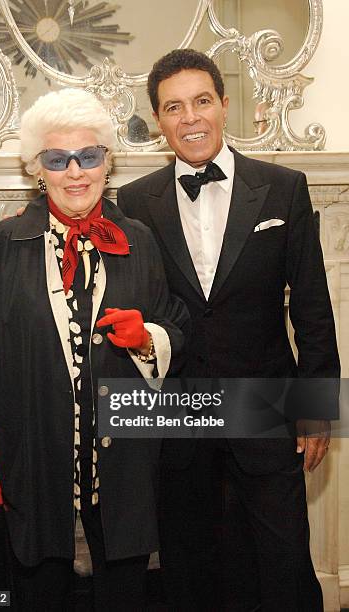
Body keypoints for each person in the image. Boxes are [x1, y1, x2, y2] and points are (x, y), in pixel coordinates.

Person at [0, 88, 188, 611]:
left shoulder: (139, 239)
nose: (75, 172)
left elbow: (175, 324)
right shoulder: (1, 244)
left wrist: (148, 340)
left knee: (123, 590)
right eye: (58, 159)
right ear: (39, 168)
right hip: (33, 456)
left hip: (123, 459)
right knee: (40, 589)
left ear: (107, 162)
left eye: (89, 156)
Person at [117, 49, 340, 611]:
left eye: (201, 101)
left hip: (264, 398)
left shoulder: (284, 187)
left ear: (223, 104)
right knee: (189, 560)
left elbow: (311, 304)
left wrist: (317, 408)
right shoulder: (135, 199)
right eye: (173, 107)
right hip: (179, 404)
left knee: (282, 555)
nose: (190, 117)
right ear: (158, 120)